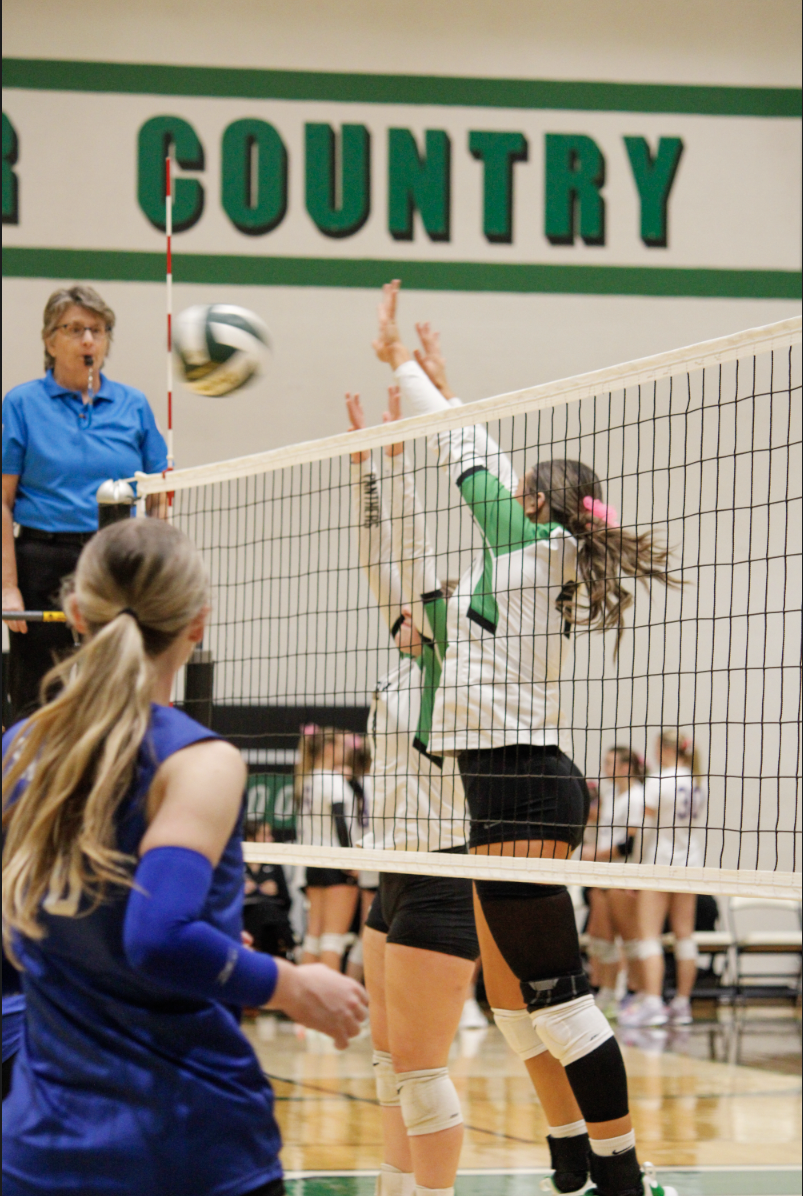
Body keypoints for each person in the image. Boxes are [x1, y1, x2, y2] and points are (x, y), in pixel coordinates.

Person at [373, 279, 681, 1196]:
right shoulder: (534, 554)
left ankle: (622, 1174)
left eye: (523, 485)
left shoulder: (521, 543)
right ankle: (569, 1155)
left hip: (523, 787)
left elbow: (463, 441)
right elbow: (474, 439)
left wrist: (398, 359)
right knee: (515, 996)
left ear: (539, 504)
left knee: (556, 994)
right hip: (509, 788)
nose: (509, 487)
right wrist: (435, 372)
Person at [1, 518, 367, 1196]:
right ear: (198, 624)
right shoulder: (198, 759)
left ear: (75, 613)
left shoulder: (21, 744)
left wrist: (218, 940)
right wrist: (291, 984)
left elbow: (88, 920)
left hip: (40, 1147)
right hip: (184, 1140)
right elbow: (159, 936)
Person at [348, 388, 593, 1196]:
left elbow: (412, 558)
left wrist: (410, 450)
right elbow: (383, 561)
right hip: (394, 868)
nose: (431, 600)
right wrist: (373, 470)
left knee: (426, 1066)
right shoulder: (402, 658)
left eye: (447, 597)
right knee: (391, 1065)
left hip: (448, 867)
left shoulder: (452, 655)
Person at [2, 285, 169, 722]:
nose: (88, 341)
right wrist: (8, 586)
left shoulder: (133, 405)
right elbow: (2, 500)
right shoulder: (21, 403)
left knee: (116, 691)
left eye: (97, 330)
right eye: (75, 329)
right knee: (38, 698)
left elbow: (160, 494)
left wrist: (155, 568)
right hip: (42, 558)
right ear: (50, 340)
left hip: (114, 559)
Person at [620, 730, 707, 1029]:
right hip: (690, 862)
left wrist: (635, 869)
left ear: (663, 749)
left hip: (659, 862)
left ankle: (654, 1003)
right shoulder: (697, 782)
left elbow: (643, 829)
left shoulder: (660, 780)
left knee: (648, 935)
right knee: (684, 936)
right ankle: (682, 1005)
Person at [582, 746, 647, 1019]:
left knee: (631, 939)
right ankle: (607, 993)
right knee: (601, 938)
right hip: (604, 875)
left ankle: (642, 995)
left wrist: (591, 854)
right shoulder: (611, 795)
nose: (606, 768)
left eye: (610, 763)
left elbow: (628, 844)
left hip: (625, 875)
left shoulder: (637, 796)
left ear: (626, 767)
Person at [294, 725, 360, 971]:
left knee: (314, 935)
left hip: (313, 862)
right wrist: (349, 859)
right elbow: (340, 821)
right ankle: (328, 1008)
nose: (346, 752)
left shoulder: (309, 778)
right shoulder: (332, 780)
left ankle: (304, 1005)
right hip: (335, 862)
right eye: (342, 747)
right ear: (330, 748)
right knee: (333, 938)